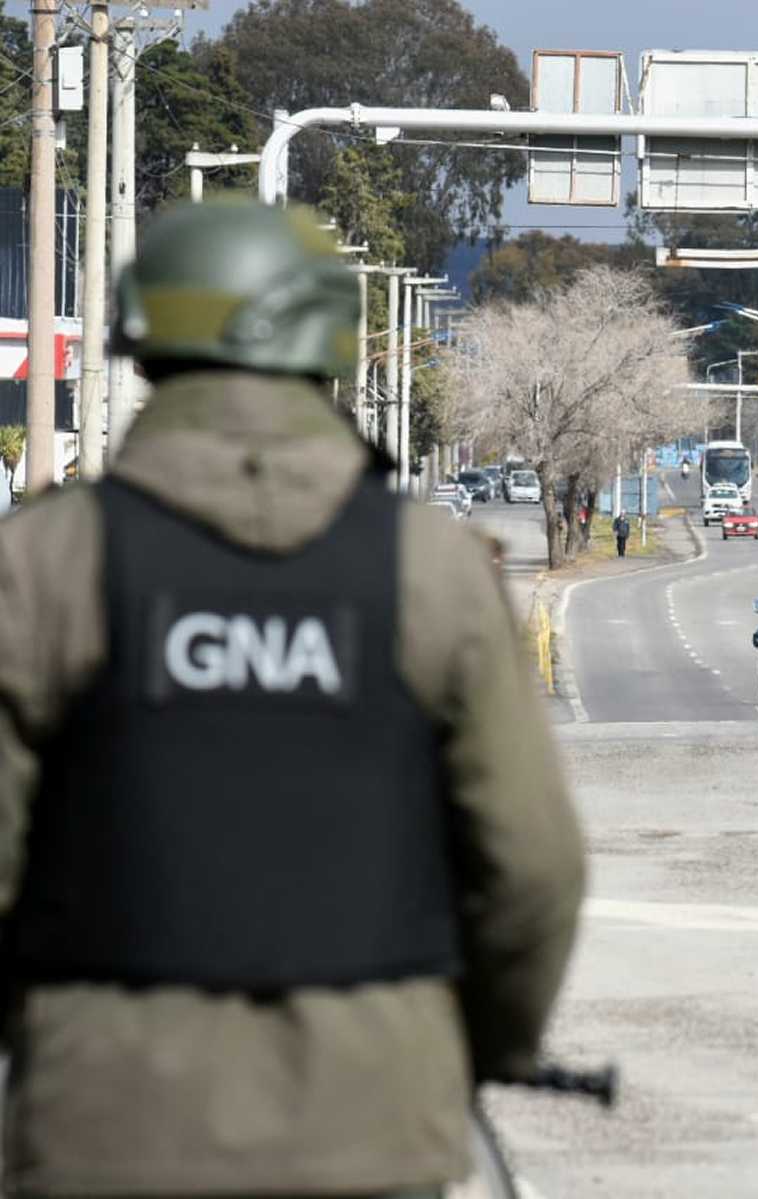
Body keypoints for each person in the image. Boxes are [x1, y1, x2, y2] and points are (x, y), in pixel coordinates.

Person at [0, 198, 586, 1198]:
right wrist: (482, 1046)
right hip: (373, 1123)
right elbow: (534, 868)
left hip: (102, 1124)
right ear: (333, 344)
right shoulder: (434, 568)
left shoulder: (44, 561)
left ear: (143, 341)